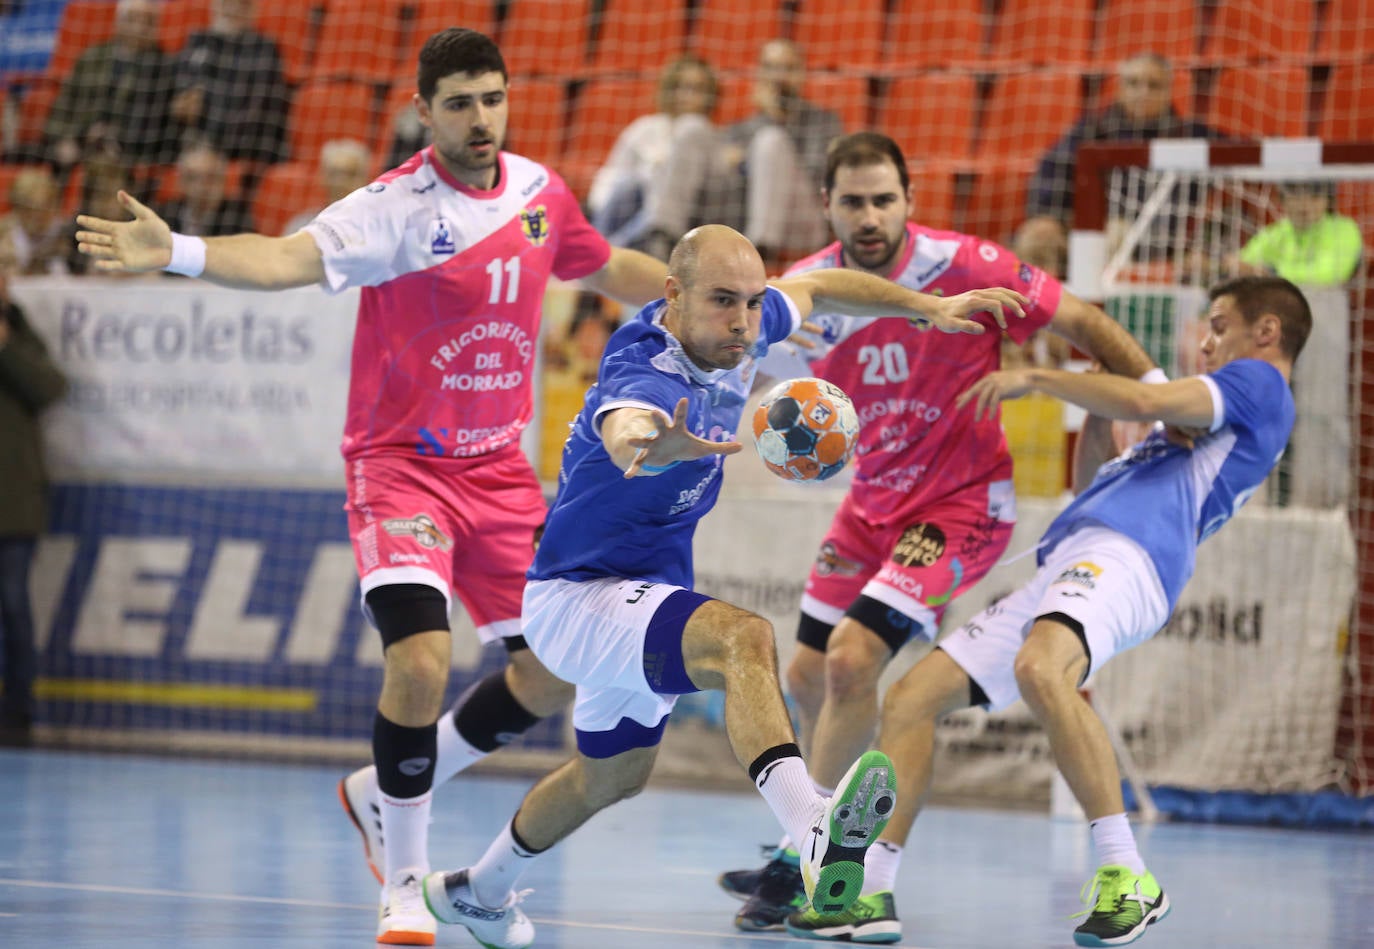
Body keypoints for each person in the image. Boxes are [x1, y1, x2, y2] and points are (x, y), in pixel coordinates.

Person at [75, 27, 669, 946]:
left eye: (493, 99)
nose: (481, 118)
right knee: (421, 659)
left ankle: (375, 790)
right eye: (460, 103)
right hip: (400, 466)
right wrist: (180, 252)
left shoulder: (541, 195)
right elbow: (282, 259)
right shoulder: (392, 208)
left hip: (501, 470)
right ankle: (402, 883)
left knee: (555, 672)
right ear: (424, 110)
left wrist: (703, 297)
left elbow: (604, 267)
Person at [420, 223, 1029, 949]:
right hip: (576, 597)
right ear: (672, 296)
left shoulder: (745, 326)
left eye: (750, 302)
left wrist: (921, 306)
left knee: (607, 778)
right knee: (744, 638)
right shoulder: (646, 364)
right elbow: (626, 424)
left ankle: (475, 890)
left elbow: (825, 285)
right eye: (721, 302)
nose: (742, 321)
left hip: (640, 597)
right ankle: (811, 832)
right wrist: (651, 447)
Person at [783, 274, 1312, 946]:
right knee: (913, 698)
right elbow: (1097, 472)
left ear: (1265, 332)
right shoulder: (1184, 434)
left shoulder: (1258, 385)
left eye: (1218, 324)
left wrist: (1039, 378)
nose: (1205, 340)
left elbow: (1148, 395)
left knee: (1042, 668)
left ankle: (1128, 874)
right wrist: (1097, 412)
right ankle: (873, 889)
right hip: (1074, 555)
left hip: (1131, 557)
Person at [720, 132, 1159, 931]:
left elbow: (1086, 322)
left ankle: (813, 862)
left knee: (855, 662)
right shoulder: (813, 293)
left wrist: (1159, 394)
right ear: (827, 206)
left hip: (958, 507)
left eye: (884, 198)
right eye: (852, 201)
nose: (869, 215)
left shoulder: (973, 267)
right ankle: (802, 849)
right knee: (809, 675)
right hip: (869, 505)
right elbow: (743, 370)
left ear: (910, 200)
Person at [1024, 52, 1216, 262]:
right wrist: (1049, 218)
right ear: (1120, 88)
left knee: (1114, 234)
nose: (1142, 92)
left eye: (1153, 85)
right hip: (1088, 227)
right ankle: (1034, 294)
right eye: (1133, 83)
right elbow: (1054, 170)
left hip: (1158, 236)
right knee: (1037, 235)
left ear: (1168, 91)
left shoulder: (1189, 136)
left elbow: (1241, 154)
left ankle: (1091, 296)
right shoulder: (1091, 130)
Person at [0, 230, 69, 747]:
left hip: (14, 496)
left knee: (14, 606)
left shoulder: (18, 329)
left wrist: (6, 347)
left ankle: (19, 714)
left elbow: (50, 388)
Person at [688, 39, 842, 263]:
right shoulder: (741, 129)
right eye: (770, 68)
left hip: (806, 223)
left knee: (770, 140)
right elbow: (727, 186)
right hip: (745, 217)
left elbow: (817, 177)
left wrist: (775, 121)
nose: (778, 76)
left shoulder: (824, 122)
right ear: (759, 73)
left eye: (787, 68)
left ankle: (760, 251)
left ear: (801, 74)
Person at [586, 55, 719, 255]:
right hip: (625, 214)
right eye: (678, 87)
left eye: (696, 89)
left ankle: (604, 253)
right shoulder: (644, 129)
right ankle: (601, 249)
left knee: (659, 205)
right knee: (627, 183)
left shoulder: (708, 137)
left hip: (673, 223)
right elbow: (610, 178)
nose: (685, 95)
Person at [43, 0, 175, 175]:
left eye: (148, 22)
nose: (139, 28)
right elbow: (63, 106)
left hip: (126, 150)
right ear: (118, 22)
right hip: (80, 141)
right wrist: (68, 139)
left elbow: (155, 124)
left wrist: (110, 136)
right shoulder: (92, 57)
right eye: (133, 19)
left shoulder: (163, 67)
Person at [170, 0, 288, 165]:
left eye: (241, 4)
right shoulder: (197, 40)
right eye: (226, 2)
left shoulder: (263, 49)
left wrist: (213, 143)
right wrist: (179, 107)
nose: (232, 9)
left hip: (237, 148)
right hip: (184, 143)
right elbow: (175, 88)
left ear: (253, 11)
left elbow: (258, 112)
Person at [1230, 181, 1364, 287]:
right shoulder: (1275, 232)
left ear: (1328, 201)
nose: (1304, 205)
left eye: (1314, 197)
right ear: (1282, 200)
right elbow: (1242, 263)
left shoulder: (1343, 229)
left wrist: (1272, 273)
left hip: (1325, 312)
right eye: (1296, 197)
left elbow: (1329, 274)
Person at [157, 142, 254, 239]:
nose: (202, 186)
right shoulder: (164, 214)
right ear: (181, 182)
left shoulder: (237, 218)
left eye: (211, 178)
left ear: (223, 181)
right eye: (193, 178)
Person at [280, 138, 374, 235]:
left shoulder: (375, 228)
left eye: (350, 174)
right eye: (334, 173)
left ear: (365, 180)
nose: (340, 182)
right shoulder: (302, 226)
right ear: (321, 178)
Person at [1, 167, 69, 276]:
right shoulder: (3, 231)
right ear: (18, 209)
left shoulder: (67, 234)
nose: (38, 216)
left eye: (45, 207)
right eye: (30, 208)